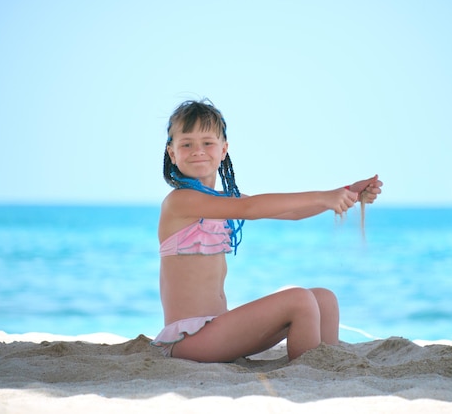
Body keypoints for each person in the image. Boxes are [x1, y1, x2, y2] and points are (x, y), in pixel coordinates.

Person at [151, 99, 383, 362]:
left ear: (223, 149)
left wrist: (347, 193)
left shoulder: (223, 201)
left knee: (324, 300)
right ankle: (303, 376)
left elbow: (291, 212)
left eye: (207, 143)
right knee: (298, 300)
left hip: (218, 327)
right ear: (172, 153)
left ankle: (325, 371)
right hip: (188, 340)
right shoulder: (180, 201)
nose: (197, 151)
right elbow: (251, 208)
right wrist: (324, 196)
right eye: (186, 144)